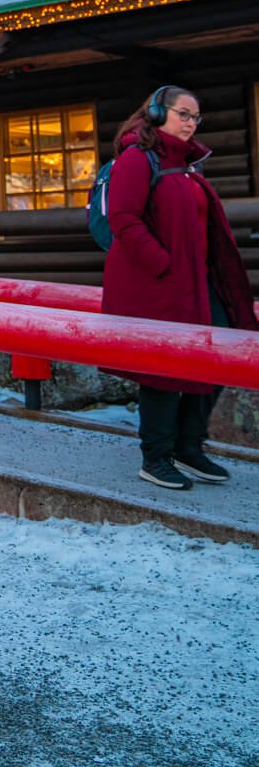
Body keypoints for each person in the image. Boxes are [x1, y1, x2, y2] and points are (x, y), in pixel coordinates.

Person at [103, 85, 256, 490]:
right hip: (162, 284)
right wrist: (163, 266)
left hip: (198, 282)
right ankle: (156, 456)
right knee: (164, 369)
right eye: (183, 114)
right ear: (156, 112)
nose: (191, 122)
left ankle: (189, 447)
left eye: (195, 117)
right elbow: (123, 218)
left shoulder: (188, 166)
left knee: (217, 355)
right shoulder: (137, 159)